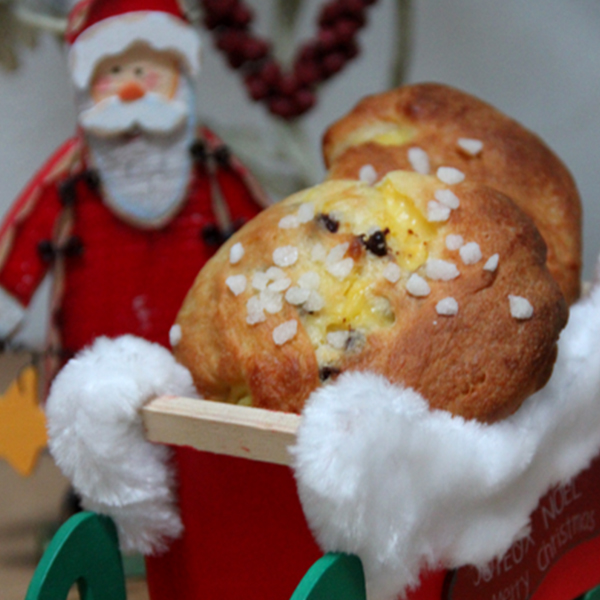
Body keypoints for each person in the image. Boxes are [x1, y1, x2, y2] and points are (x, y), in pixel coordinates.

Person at [0, 0, 269, 390]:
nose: (130, 89)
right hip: (94, 365)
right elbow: (29, 234)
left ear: (180, 77)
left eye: (147, 73)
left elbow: (259, 233)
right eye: (113, 74)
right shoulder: (72, 174)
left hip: (201, 364)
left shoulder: (209, 164)